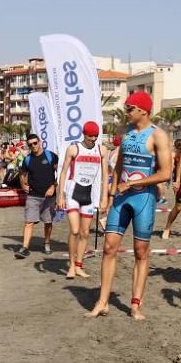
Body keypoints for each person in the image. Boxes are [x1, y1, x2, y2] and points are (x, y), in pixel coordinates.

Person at [88, 91, 173, 320]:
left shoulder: (158, 136)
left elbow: (166, 173)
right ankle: (103, 301)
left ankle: (135, 305)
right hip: (121, 197)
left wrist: (136, 183)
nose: (126, 112)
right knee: (108, 248)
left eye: (129, 108)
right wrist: (112, 191)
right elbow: (119, 166)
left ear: (142, 110)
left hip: (143, 199)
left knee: (140, 252)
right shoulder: (125, 134)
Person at [56, 121, 108, 279]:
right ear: (84, 134)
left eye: (95, 135)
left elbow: (106, 176)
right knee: (75, 230)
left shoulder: (102, 150)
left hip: (89, 195)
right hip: (72, 193)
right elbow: (63, 172)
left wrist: (104, 197)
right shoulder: (74, 149)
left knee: (85, 233)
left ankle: (78, 265)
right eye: (90, 135)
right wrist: (60, 195)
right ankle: (71, 265)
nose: (93, 138)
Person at [14, 134, 58, 258]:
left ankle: (47, 242)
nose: (33, 146)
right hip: (33, 195)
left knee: (48, 222)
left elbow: (60, 172)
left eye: (35, 143)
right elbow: (22, 174)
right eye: (30, 144)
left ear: (40, 142)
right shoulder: (28, 159)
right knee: (29, 221)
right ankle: (25, 248)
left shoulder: (51, 156)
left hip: (49, 196)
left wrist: (53, 186)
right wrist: (23, 185)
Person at [161, 139, 181, 238]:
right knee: (178, 207)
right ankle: (167, 228)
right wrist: (176, 181)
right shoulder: (173, 154)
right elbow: (176, 167)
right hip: (179, 181)